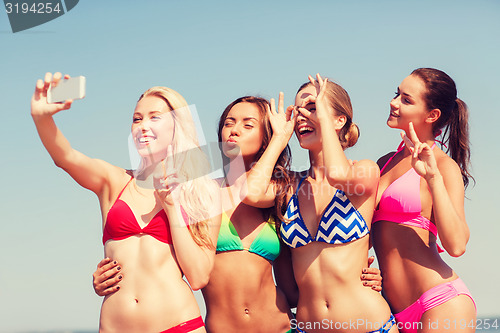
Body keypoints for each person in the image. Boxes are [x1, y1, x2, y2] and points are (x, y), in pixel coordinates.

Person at [93, 95, 384, 333]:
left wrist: (358, 273)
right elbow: (157, 251)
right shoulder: (197, 193)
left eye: (248, 124)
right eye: (229, 122)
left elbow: (295, 284)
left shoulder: (280, 195)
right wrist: (111, 278)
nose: (234, 129)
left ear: (266, 134)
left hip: (282, 326)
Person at [31, 72, 221, 333]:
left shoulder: (203, 191)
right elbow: (65, 157)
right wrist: (42, 118)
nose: (142, 125)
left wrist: (172, 207)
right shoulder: (113, 180)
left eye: (155, 117)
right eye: (136, 119)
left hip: (179, 325)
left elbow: (199, 276)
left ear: (177, 125)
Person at [242, 74, 398, 333]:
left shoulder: (365, 171)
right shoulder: (290, 184)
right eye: (298, 110)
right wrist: (280, 138)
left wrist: (324, 120)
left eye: (313, 107)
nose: (302, 115)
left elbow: (337, 176)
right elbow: (250, 192)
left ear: (339, 120)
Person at [372, 68, 476, 333]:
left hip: (441, 303)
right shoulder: (382, 164)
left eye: (406, 99)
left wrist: (432, 178)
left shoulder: (443, 166)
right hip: (391, 313)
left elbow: (456, 245)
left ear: (432, 115)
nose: (394, 103)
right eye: (397, 94)